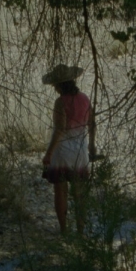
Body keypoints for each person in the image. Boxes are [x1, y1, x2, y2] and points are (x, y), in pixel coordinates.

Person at [41, 64, 96, 234]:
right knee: (79, 193)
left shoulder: (61, 102)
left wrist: (49, 153)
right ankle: (80, 230)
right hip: (81, 152)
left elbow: (60, 129)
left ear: (59, 85)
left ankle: (64, 230)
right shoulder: (85, 99)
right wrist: (92, 145)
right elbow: (92, 124)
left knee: (61, 191)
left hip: (63, 151)